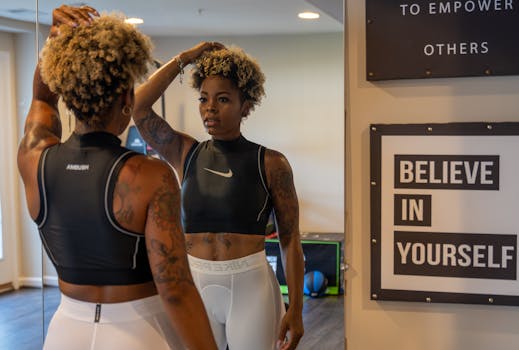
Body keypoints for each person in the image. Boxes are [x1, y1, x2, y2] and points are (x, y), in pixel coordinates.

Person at [17, 5, 217, 350]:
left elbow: (40, 97)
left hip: (65, 331)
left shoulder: (34, 159)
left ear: (66, 88)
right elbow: (175, 289)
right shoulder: (149, 176)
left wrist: (55, 43)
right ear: (127, 99)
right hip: (138, 331)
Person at [133, 45, 305, 350]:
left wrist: (297, 308)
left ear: (246, 106)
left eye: (223, 99)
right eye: (203, 99)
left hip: (250, 286)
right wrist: (184, 59)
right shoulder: (185, 152)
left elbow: (290, 241)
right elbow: (140, 108)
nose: (210, 108)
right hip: (193, 283)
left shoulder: (271, 163)